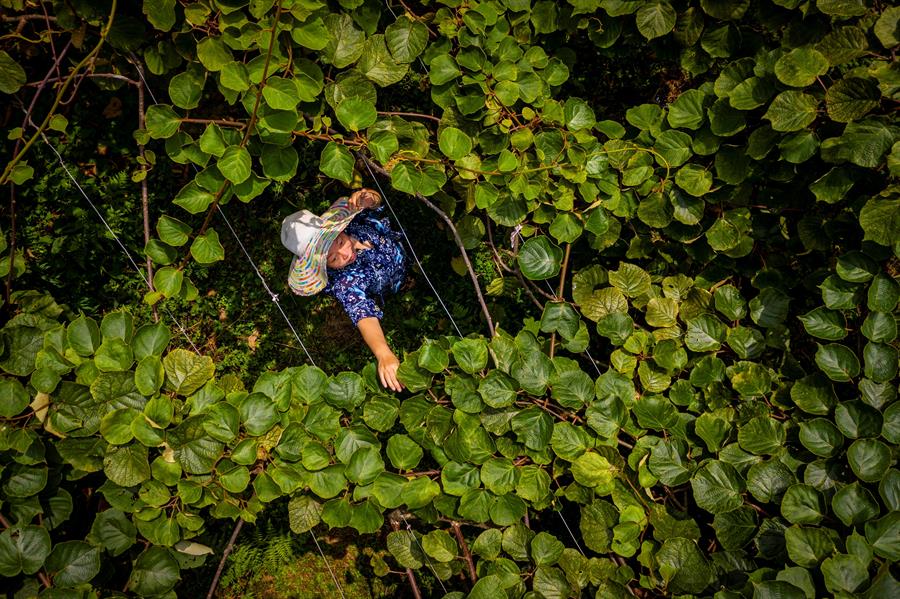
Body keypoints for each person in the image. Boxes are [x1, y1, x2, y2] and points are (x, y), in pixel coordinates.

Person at [281, 188, 407, 391]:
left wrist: (369, 197)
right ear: (324, 266)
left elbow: (374, 203)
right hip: (392, 282)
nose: (345, 253)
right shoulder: (346, 282)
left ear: (340, 230)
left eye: (339, 241)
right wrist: (383, 353)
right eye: (333, 259)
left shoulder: (356, 225)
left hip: (397, 249)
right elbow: (362, 313)